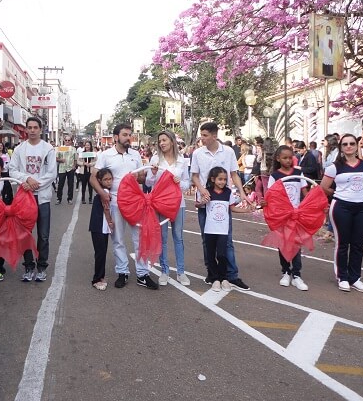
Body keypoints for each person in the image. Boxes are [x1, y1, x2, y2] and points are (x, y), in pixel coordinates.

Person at [90, 123, 158, 290]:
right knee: (118, 239)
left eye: (130, 135)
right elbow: (93, 178)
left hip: (135, 203)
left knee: (139, 239)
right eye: (125, 135)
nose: (129, 138)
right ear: (116, 137)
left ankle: (142, 274)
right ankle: (122, 272)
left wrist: (145, 175)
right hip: (115, 203)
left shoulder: (135, 155)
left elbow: (141, 178)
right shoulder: (105, 155)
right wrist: (102, 193)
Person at [190, 122, 252, 291]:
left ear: (214, 136)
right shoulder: (198, 153)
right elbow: (194, 176)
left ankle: (231, 275)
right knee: (207, 240)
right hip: (205, 203)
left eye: (205, 135)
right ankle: (212, 274)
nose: (202, 138)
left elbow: (234, 174)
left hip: (223, 202)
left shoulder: (228, 151)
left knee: (227, 241)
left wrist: (242, 192)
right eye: (201, 135)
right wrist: (202, 190)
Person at [320, 133, 363, 293]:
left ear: (357, 146)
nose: (349, 146)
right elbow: (323, 187)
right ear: (341, 148)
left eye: (352, 143)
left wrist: (358, 194)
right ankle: (342, 277)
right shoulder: (334, 167)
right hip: (341, 207)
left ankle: (355, 278)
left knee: (358, 244)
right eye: (345, 144)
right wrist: (340, 193)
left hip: (362, 207)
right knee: (342, 244)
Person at [8, 117, 57, 282]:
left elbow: (52, 173)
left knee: (43, 235)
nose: (33, 130)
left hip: (42, 198)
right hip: (24, 198)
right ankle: (28, 266)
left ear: (41, 129)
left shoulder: (48, 149)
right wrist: (26, 179)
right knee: (25, 234)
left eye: (36, 127)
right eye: (30, 127)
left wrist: (35, 184)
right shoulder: (19, 149)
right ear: (26, 130)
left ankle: (41, 266)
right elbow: (12, 170)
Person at [145, 130, 191, 286]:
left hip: (178, 204)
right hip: (160, 204)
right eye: (160, 141)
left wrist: (179, 182)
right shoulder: (155, 159)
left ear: (172, 141)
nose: (161, 143)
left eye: (164, 140)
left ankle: (181, 272)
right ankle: (164, 271)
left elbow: (187, 184)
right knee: (162, 238)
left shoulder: (182, 160)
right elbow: (149, 183)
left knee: (178, 237)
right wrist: (152, 173)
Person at [263, 146, 310, 291]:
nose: (288, 160)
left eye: (290, 157)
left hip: (296, 215)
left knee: (296, 244)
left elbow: (305, 192)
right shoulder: (275, 176)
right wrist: (266, 203)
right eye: (285, 158)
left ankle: (296, 274)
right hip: (282, 215)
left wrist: (312, 203)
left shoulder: (298, 173)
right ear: (278, 159)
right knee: (282, 243)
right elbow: (271, 195)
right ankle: (286, 271)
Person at [202, 167, 253, 292]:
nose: (223, 182)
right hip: (210, 229)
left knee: (222, 254)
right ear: (213, 179)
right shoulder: (207, 191)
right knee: (210, 254)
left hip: (223, 230)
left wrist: (246, 210)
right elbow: (198, 205)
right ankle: (214, 279)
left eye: (225, 179)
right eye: (220, 179)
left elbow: (232, 208)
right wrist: (202, 202)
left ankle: (223, 278)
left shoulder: (228, 192)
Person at [89, 168, 115, 290]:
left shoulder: (105, 191)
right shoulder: (104, 192)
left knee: (102, 252)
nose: (109, 181)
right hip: (99, 226)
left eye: (110, 179)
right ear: (99, 181)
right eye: (105, 179)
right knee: (100, 252)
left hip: (101, 227)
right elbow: (106, 209)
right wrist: (110, 222)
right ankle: (97, 279)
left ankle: (101, 276)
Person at [55, 135, 77, 205]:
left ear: (71, 141)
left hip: (70, 168)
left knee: (70, 184)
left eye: (69, 140)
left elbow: (75, 159)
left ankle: (70, 199)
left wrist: (74, 166)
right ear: (64, 141)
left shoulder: (73, 149)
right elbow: (56, 158)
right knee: (60, 184)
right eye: (66, 140)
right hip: (62, 168)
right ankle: (59, 198)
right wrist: (61, 160)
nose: (67, 141)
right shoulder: (60, 148)